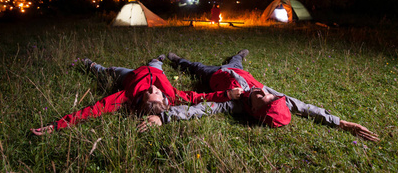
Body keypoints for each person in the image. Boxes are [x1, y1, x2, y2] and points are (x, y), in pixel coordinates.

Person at [139, 50, 380, 141]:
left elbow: (201, 109)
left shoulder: (235, 105)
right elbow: (305, 107)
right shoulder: (269, 95)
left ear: (255, 111)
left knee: (196, 67)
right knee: (236, 59)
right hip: (238, 70)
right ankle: (239, 55)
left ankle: (179, 60)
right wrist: (340, 122)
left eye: (263, 98)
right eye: (268, 94)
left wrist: (165, 117)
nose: (263, 91)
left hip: (216, 76)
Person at [31, 55, 243, 135]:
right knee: (153, 65)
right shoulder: (172, 95)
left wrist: (57, 125)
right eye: (155, 93)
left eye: (149, 93)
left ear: (140, 100)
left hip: (129, 76)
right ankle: (157, 60)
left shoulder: (126, 95)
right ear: (164, 100)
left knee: (109, 71)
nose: (153, 89)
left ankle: (90, 65)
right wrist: (227, 94)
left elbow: (93, 110)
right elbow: (198, 97)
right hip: (149, 69)